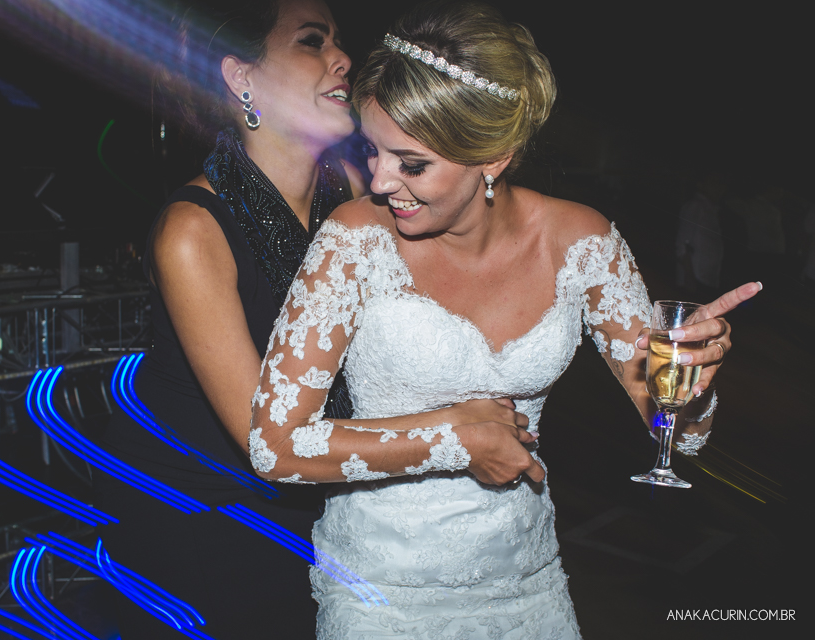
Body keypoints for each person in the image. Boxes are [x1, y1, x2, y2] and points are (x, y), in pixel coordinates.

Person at [248, 1, 761, 637]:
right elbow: (275, 445)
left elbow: (679, 436)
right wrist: (452, 439)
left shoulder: (583, 243)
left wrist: (693, 377)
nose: (380, 183)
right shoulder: (353, 241)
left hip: (527, 587)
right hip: (381, 593)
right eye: (373, 150)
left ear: (492, 159)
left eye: (411, 164)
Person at [93, 1, 526, 637]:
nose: (341, 58)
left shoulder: (357, 190)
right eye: (311, 41)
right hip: (204, 523)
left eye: (338, 41)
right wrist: (454, 433)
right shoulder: (193, 230)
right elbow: (262, 441)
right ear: (242, 78)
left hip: (325, 505)